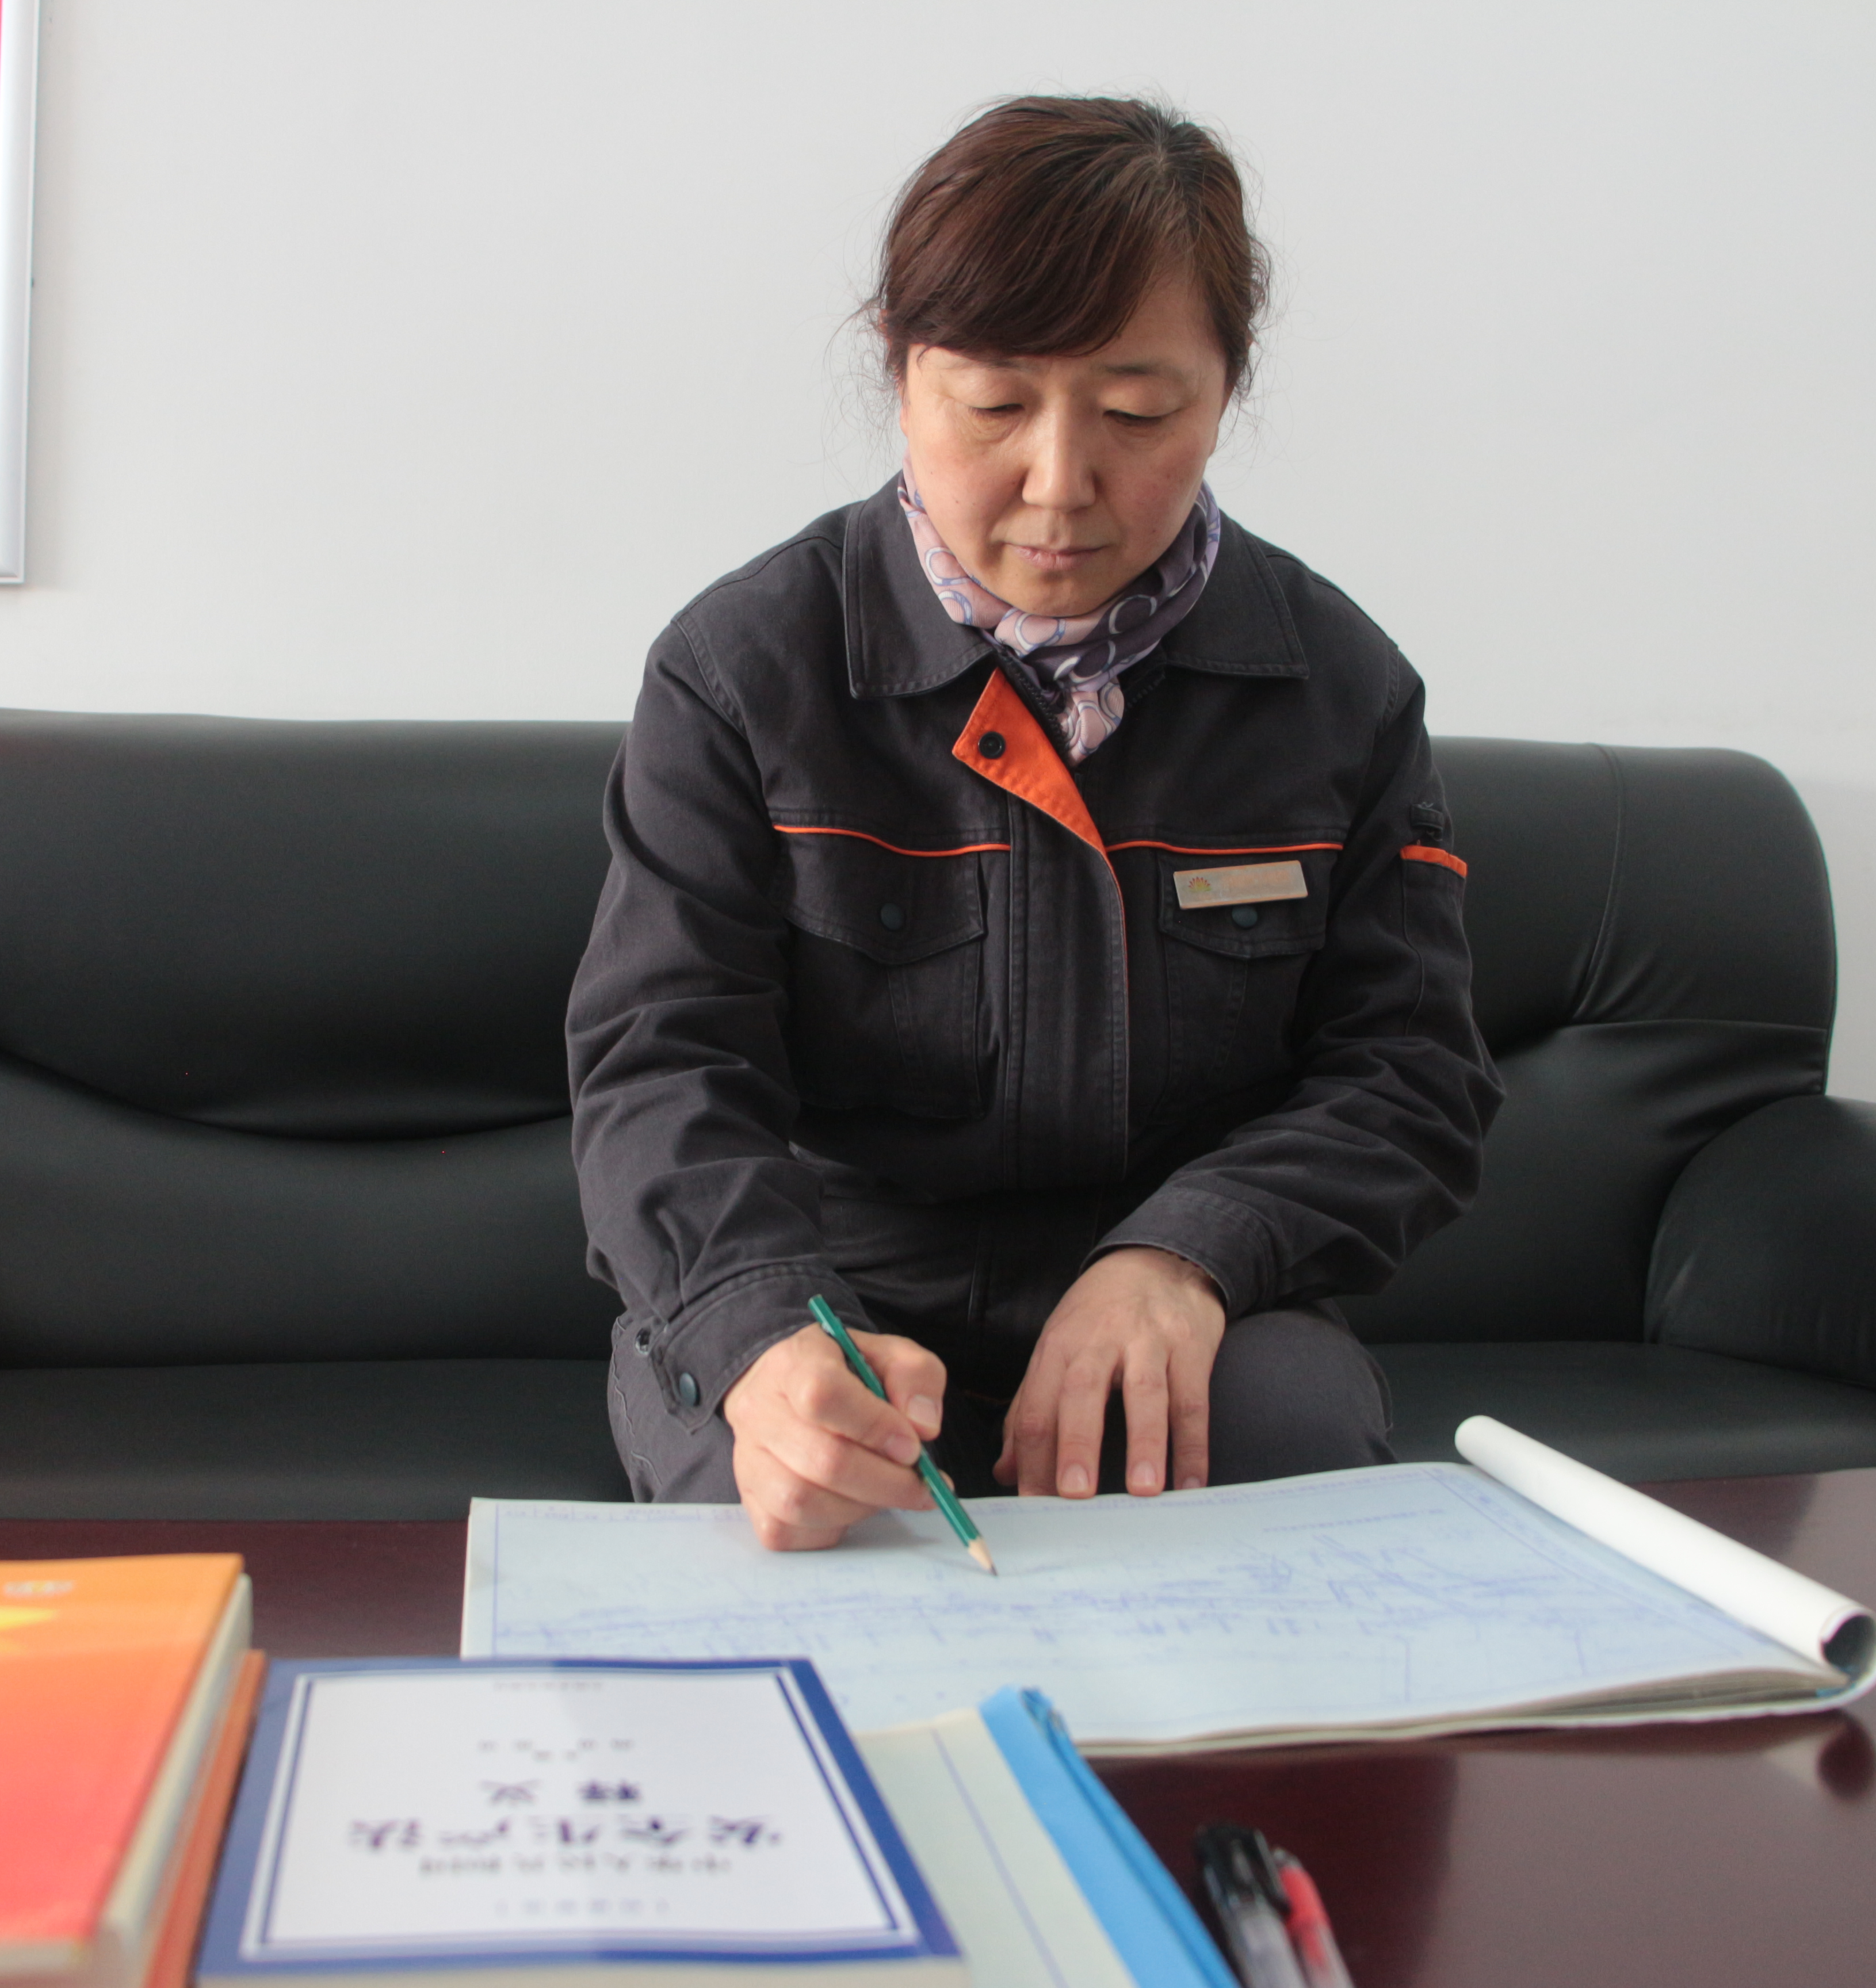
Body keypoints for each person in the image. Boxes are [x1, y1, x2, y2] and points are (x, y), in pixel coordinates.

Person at [567, 96, 1500, 1551]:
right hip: (832, 1290)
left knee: (1299, 1469)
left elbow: (1412, 1073)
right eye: (996, 406)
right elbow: (662, 1059)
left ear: (1227, 395)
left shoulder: (1339, 688)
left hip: (1184, 1300)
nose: (1060, 484)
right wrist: (758, 1332)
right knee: (795, 1524)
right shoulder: (743, 671)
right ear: (902, 379)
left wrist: (1188, 1254)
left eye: (1138, 415)